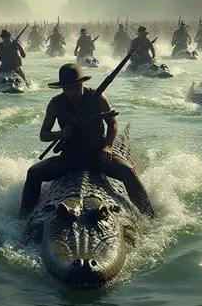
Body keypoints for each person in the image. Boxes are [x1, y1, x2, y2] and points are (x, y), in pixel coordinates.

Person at [19, 63, 154, 218]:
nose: (73, 92)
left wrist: (108, 146)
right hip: (70, 157)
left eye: (76, 87)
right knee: (33, 173)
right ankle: (24, 218)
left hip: (96, 155)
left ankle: (149, 216)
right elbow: (44, 135)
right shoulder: (55, 104)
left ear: (82, 84)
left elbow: (112, 123)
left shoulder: (98, 98)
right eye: (68, 88)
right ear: (62, 88)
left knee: (128, 171)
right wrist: (60, 134)